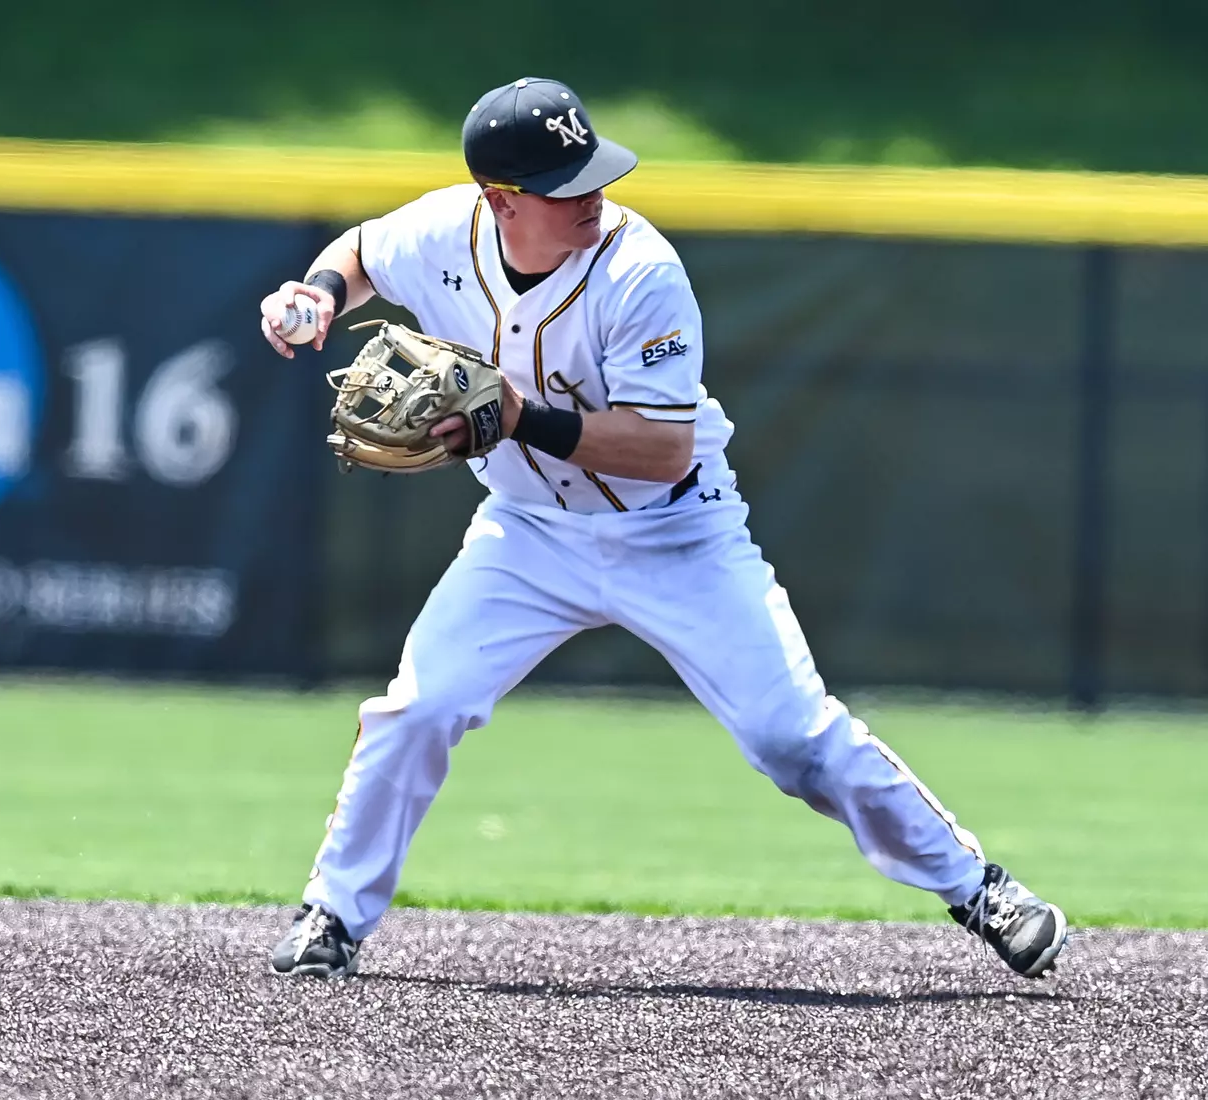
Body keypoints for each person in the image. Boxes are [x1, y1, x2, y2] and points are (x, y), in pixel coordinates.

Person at [258, 77, 1068, 981]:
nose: (592, 194)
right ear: (501, 201)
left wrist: (517, 419)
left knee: (791, 738)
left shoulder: (641, 270)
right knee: (418, 708)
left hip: (677, 534)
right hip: (528, 534)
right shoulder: (447, 230)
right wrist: (321, 292)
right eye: (566, 185)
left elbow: (662, 450)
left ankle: (980, 887)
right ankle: (332, 915)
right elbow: (363, 250)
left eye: (593, 171)